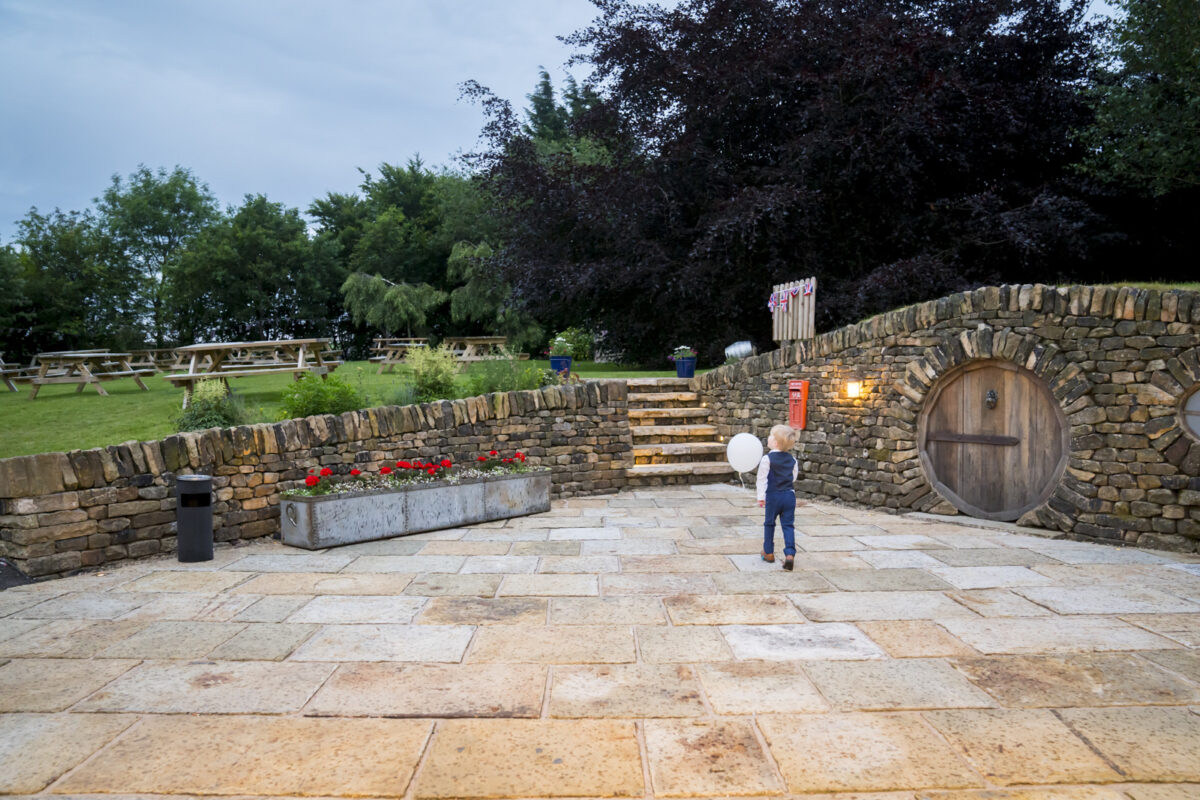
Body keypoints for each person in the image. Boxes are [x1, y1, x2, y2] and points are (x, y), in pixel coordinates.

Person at [756, 424, 798, 570]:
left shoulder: (767, 459)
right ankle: (790, 554)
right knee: (788, 525)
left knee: (769, 523)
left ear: (775, 443)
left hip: (773, 496)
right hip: (789, 496)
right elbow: (793, 478)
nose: (768, 437)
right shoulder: (793, 460)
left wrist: (761, 497)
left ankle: (768, 552)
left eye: (770, 436)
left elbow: (762, 479)